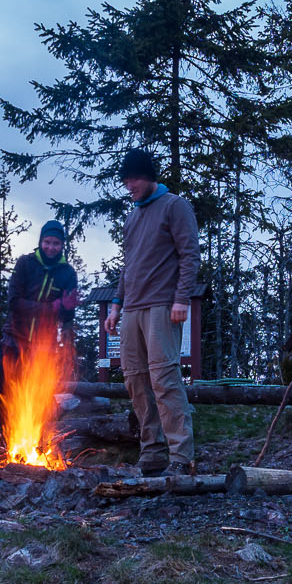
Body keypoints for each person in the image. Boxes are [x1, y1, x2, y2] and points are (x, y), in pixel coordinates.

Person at [103, 148, 198, 475]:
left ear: (147, 176)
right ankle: (153, 451)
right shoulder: (133, 216)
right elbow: (128, 266)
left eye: (133, 178)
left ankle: (181, 457)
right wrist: (116, 305)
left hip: (162, 306)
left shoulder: (174, 206)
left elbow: (189, 255)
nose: (129, 185)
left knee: (164, 378)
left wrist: (181, 298)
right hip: (132, 309)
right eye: (126, 180)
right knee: (135, 380)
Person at [0, 219, 80, 416]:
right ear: (40, 241)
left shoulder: (68, 273)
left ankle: (35, 436)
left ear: (62, 245)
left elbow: (66, 316)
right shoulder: (25, 264)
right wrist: (52, 307)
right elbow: (14, 302)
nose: (51, 247)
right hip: (15, 337)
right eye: (47, 242)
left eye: (56, 243)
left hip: (43, 344)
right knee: (4, 390)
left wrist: (68, 308)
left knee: (37, 393)